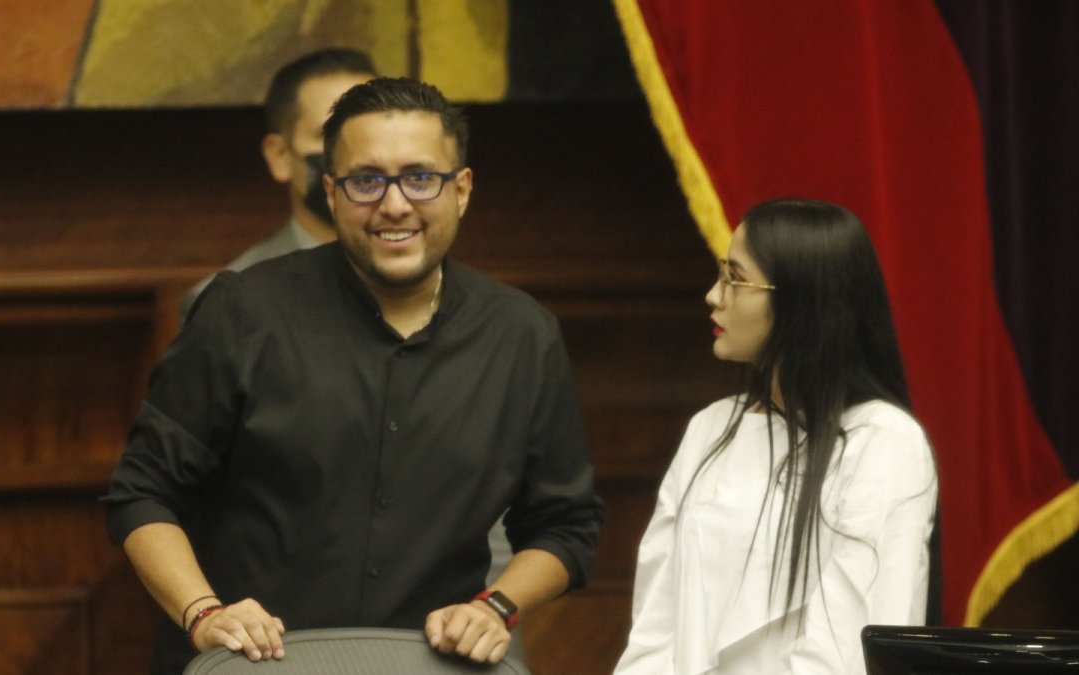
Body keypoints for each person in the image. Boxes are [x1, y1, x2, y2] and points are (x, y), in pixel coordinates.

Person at [105, 76, 604, 675]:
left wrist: (496, 605)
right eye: (367, 181)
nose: (395, 205)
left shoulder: (523, 335)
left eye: (421, 178)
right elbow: (142, 491)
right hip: (253, 665)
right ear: (334, 192)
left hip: (428, 666)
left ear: (462, 189)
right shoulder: (244, 311)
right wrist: (203, 613)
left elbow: (566, 524)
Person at [614, 199, 938, 674]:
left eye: (736, 279)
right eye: (720, 273)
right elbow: (655, 626)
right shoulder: (712, 427)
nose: (714, 295)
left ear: (803, 301)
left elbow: (848, 649)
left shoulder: (883, 442)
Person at [177, 48, 377, 320]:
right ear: (280, 156)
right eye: (330, 134)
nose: (356, 153)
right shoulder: (228, 305)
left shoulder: (438, 283)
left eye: (371, 131)